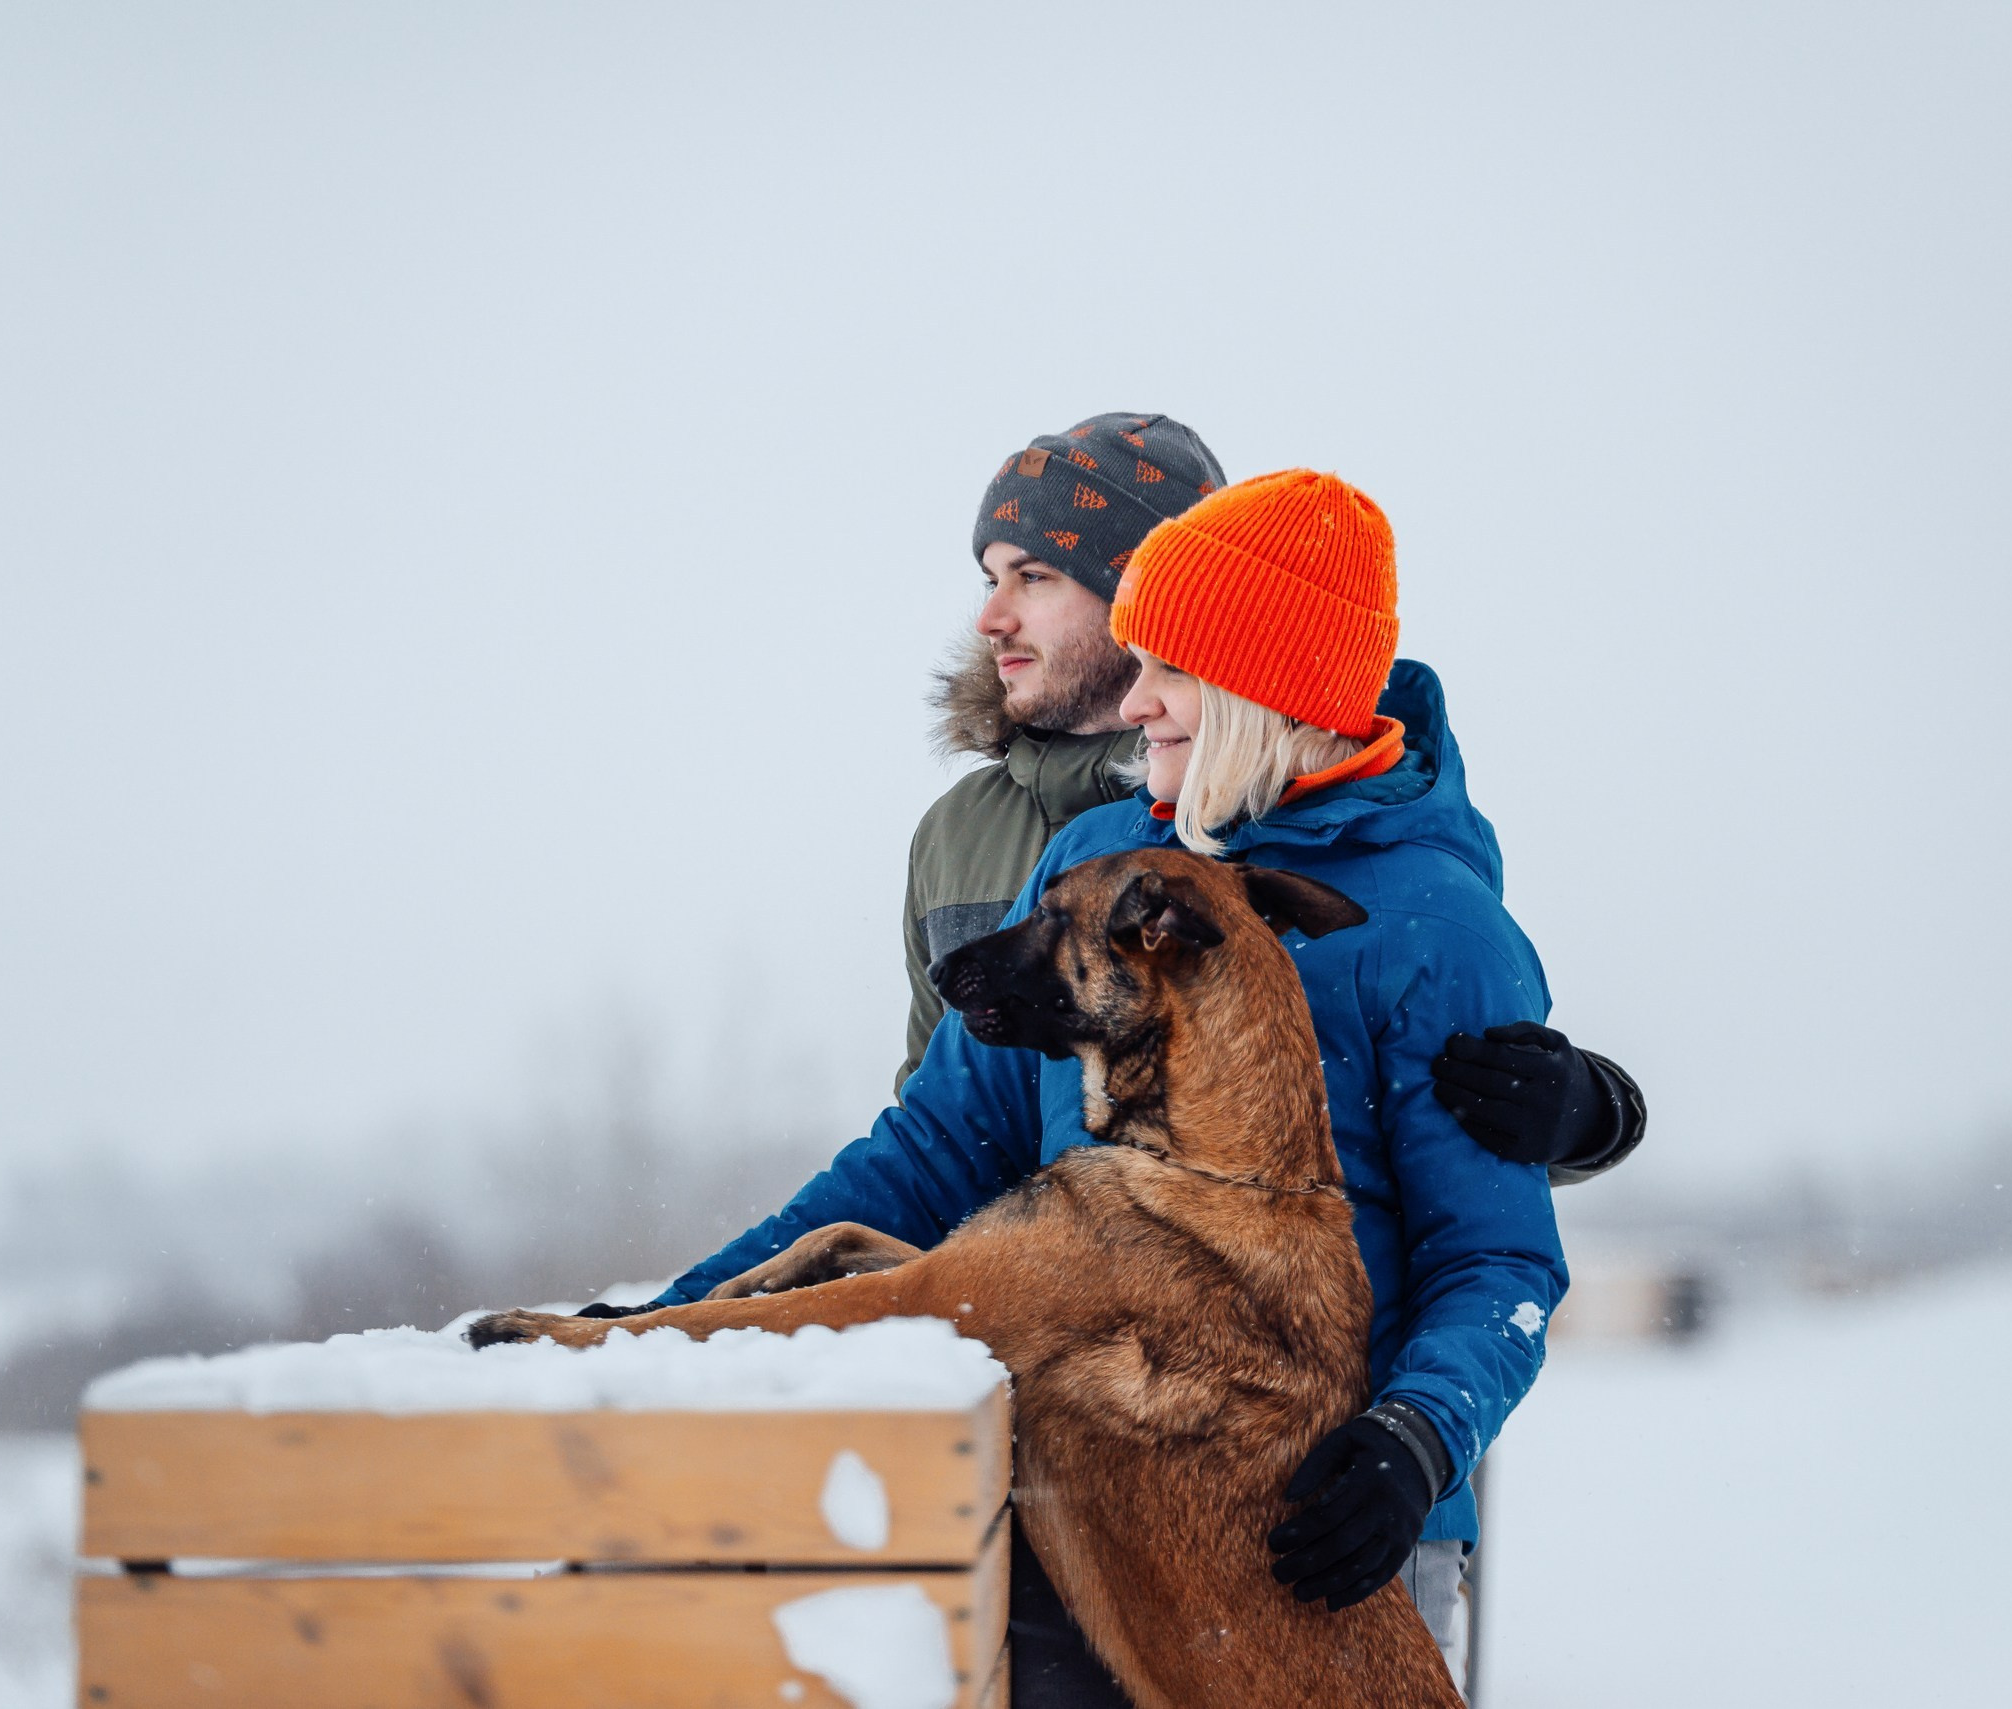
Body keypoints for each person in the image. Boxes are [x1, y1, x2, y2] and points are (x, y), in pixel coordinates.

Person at [625, 468, 1576, 1704]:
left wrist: (1412, 1437)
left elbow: (1495, 1262)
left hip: (1333, 1536)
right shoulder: (1093, 862)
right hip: (1079, 1516)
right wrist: (660, 1324)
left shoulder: (1432, 929)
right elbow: (935, 1146)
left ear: (1255, 684)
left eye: (1165, 670)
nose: (1134, 705)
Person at [908, 413, 1645, 1187]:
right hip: (1025, 1278)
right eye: (989, 581)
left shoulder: (1319, 817)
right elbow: (936, 1127)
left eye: (1033, 576)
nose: (991, 617)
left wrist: (1591, 1114)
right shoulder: (959, 834)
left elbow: (1403, 1088)